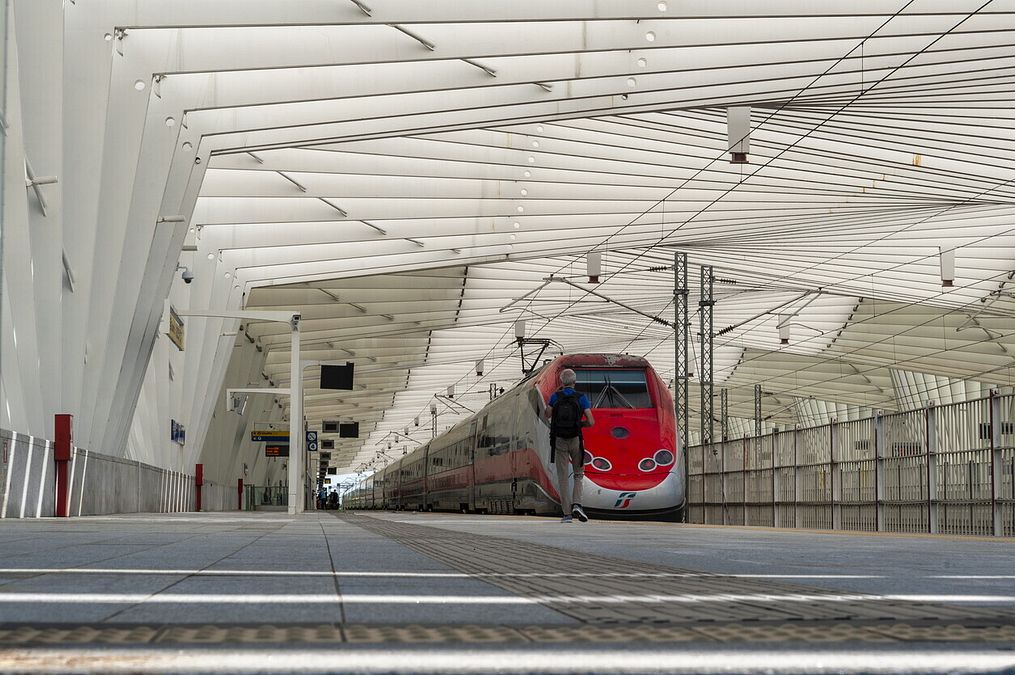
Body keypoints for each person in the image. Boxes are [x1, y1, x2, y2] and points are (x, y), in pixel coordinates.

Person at [544, 368, 595, 523]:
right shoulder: (581, 398)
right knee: (579, 474)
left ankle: (566, 514)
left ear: (561, 382)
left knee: (563, 477)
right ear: (574, 382)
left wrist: (551, 404)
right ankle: (577, 504)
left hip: (559, 440)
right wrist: (579, 425)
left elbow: (547, 414)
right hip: (576, 440)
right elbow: (591, 422)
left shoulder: (555, 397)